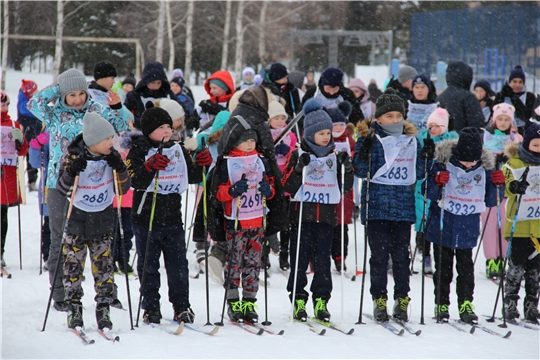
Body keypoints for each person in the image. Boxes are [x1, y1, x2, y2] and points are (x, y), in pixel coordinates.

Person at [28, 68, 130, 312]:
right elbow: (35, 102)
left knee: (99, 239)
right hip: (60, 184)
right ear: (63, 95)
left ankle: (106, 292)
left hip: (94, 183)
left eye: (80, 93)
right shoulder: (53, 114)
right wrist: (59, 86)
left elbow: (120, 125)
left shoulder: (95, 110)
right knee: (60, 239)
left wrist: (116, 107)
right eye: (71, 94)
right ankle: (60, 293)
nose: (77, 99)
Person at [126, 105, 208, 324]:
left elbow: (190, 176)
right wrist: (149, 167)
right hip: (146, 219)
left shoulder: (177, 148)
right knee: (148, 266)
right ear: (149, 130)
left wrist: (201, 164)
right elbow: (134, 180)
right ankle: (151, 306)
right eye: (161, 127)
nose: (167, 131)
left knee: (178, 265)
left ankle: (182, 306)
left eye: (169, 126)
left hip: (172, 218)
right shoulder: (139, 149)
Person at [353, 88, 425, 322]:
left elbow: (420, 172)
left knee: (402, 257)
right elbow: (361, 171)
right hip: (377, 207)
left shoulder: (412, 140)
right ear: (378, 118)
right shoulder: (369, 138)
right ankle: (379, 298)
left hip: (403, 207)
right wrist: (363, 151)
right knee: (379, 257)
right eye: (389, 116)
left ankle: (402, 299)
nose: (394, 120)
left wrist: (427, 157)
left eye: (398, 116)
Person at [56, 112, 130, 330]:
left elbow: (123, 189)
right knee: (73, 267)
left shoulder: (112, 157)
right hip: (77, 220)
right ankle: (74, 307)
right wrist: (71, 171)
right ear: (93, 140)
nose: (111, 142)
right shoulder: (73, 156)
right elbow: (62, 189)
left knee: (104, 268)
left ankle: (104, 307)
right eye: (107, 139)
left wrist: (120, 167)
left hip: (102, 220)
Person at [282, 98, 354, 322]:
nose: (326, 137)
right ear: (309, 133)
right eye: (321, 133)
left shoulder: (335, 155)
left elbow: (346, 186)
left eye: (328, 133)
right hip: (302, 218)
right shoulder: (297, 153)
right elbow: (287, 186)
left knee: (323, 261)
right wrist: (298, 168)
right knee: (299, 260)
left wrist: (348, 168)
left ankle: (321, 300)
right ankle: (299, 299)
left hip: (326, 219)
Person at [425, 127, 502, 324]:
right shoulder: (442, 164)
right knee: (443, 269)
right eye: (465, 160)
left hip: (467, 228)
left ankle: (466, 303)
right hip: (442, 226)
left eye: (473, 160)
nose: (468, 164)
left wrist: (497, 186)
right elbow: (429, 194)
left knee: (466, 270)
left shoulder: (484, 170)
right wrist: (436, 181)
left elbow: (492, 201)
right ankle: (441, 303)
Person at [213, 118, 277, 323]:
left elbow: (272, 187)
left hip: (258, 220)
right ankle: (233, 301)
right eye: (246, 140)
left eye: (253, 140)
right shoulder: (227, 162)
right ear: (234, 141)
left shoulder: (261, 160)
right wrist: (232, 190)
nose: (251, 144)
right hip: (236, 221)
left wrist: (270, 191)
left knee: (253, 263)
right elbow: (218, 193)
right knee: (235, 262)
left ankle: (249, 301)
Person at [502, 122, 540, 323]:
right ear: (526, 144)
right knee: (517, 266)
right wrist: (514, 186)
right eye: (535, 145)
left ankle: (532, 303)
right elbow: (505, 184)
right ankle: (510, 301)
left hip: (538, 227)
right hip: (520, 225)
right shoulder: (515, 163)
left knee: (535, 269)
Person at [414, 108, 458, 274]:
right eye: (430, 125)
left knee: (438, 225)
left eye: (436, 126)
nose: (432, 129)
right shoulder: (422, 140)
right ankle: (425, 255)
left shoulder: (449, 142)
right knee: (423, 222)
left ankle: (440, 257)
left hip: (442, 189)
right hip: (422, 188)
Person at [481, 103, 522, 279]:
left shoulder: (516, 139)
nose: (503, 122)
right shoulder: (485, 136)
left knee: (506, 223)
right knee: (489, 223)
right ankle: (492, 259)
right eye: (500, 119)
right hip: (489, 187)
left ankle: (505, 257)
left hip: (508, 189)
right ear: (494, 119)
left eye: (506, 119)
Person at [1, 91, 29, 268]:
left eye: (6, 105)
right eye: (2, 105)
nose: (5, 108)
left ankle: (0, 251)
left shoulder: (13, 124)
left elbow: (23, 151)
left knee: (2, 216)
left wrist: (21, 141)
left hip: (6, 175)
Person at [267, 100, 297, 271]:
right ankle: (264, 255)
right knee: (269, 220)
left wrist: (289, 151)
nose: (280, 121)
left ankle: (284, 256)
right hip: (270, 183)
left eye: (282, 118)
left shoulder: (290, 135)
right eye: (276, 118)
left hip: (286, 184)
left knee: (286, 224)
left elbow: (294, 153)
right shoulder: (265, 134)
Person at [326, 101, 355, 272]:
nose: (338, 128)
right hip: (327, 187)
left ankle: (340, 256)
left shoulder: (349, 140)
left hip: (344, 190)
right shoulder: (323, 138)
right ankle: (320, 256)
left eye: (341, 124)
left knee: (341, 226)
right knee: (325, 224)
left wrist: (349, 160)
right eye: (334, 124)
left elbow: (355, 158)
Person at [124, 61, 178, 130]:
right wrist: (136, 122)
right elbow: (125, 114)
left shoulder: (168, 94)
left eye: (159, 83)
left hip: (167, 133)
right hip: (140, 133)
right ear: (146, 81)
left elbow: (180, 111)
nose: (156, 86)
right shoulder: (134, 95)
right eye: (153, 82)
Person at [437, 61, 485, 132]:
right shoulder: (468, 97)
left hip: (444, 140)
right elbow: (477, 123)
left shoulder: (440, 97)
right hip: (464, 140)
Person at [29, 129, 51, 269]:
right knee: (50, 222)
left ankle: (69, 259)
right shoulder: (49, 131)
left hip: (74, 182)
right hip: (51, 183)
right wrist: (36, 145)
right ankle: (49, 256)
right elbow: (36, 163)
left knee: (71, 224)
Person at [494, 65, 536, 135]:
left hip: (523, 131)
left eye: (520, 82)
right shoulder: (501, 95)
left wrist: (513, 97)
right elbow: (494, 114)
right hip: (502, 131)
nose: (517, 85)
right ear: (510, 82)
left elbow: (526, 115)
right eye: (515, 81)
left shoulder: (529, 96)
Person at [16, 79, 40, 191]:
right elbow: (26, 111)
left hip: (36, 131)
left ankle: (33, 180)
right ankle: (25, 180)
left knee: (35, 156)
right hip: (27, 131)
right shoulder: (22, 100)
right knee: (28, 155)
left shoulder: (33, 99)